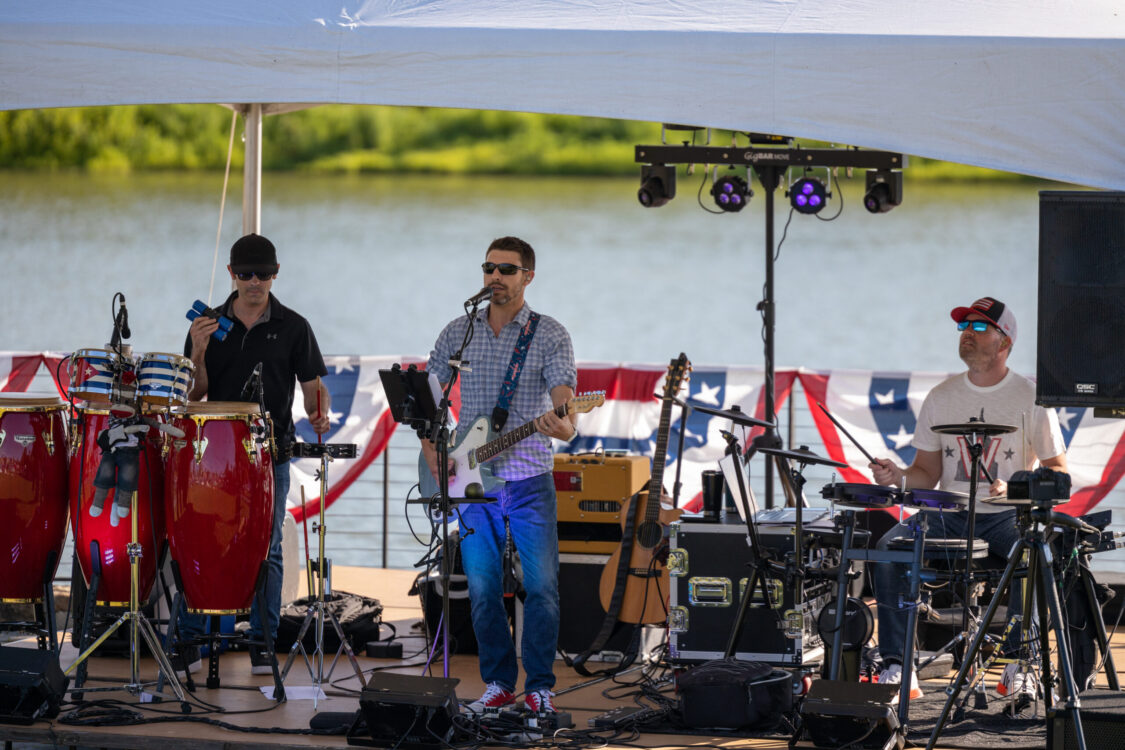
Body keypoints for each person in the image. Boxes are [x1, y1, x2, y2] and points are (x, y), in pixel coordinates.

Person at [868, 297, 1067, 704]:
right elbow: (925, 473)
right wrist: (899, 476)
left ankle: (1020, 665)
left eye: (979, 329)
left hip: (1007, 517)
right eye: (964, 328)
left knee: (1033, 554)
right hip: (949, 513)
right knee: (889, 550)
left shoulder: (1032, 398)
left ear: (1004, 341)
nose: (967, 336)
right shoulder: (941, 396)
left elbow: (1059, 475)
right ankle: (897, 665)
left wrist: (1013, 492)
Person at [421, 236, 577, 715]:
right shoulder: (457, 333)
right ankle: (498, 682)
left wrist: (566, 423)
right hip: (469, 479)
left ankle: (540, 687)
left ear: (528, 277)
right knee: (484, 588)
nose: (495, 277)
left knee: (543, 587)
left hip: (529, 476)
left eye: (507, 270)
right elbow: (427, 398)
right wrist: (432, 447)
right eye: (489, 268)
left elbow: (564, 399)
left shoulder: (549, 334)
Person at [177, 233, 330, 674]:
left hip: (271, 452)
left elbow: (314, 389)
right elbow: (194, 393)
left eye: (263, 274)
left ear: (275, 275)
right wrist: (199, 349)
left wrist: (320, 414)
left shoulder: (294, 326)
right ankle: (191, 640)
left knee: (269, 546)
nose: (254, 283)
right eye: (245, 274)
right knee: (203, 541)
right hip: (213, 455)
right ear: (231, 274)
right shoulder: (206, 323)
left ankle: (263, 643)